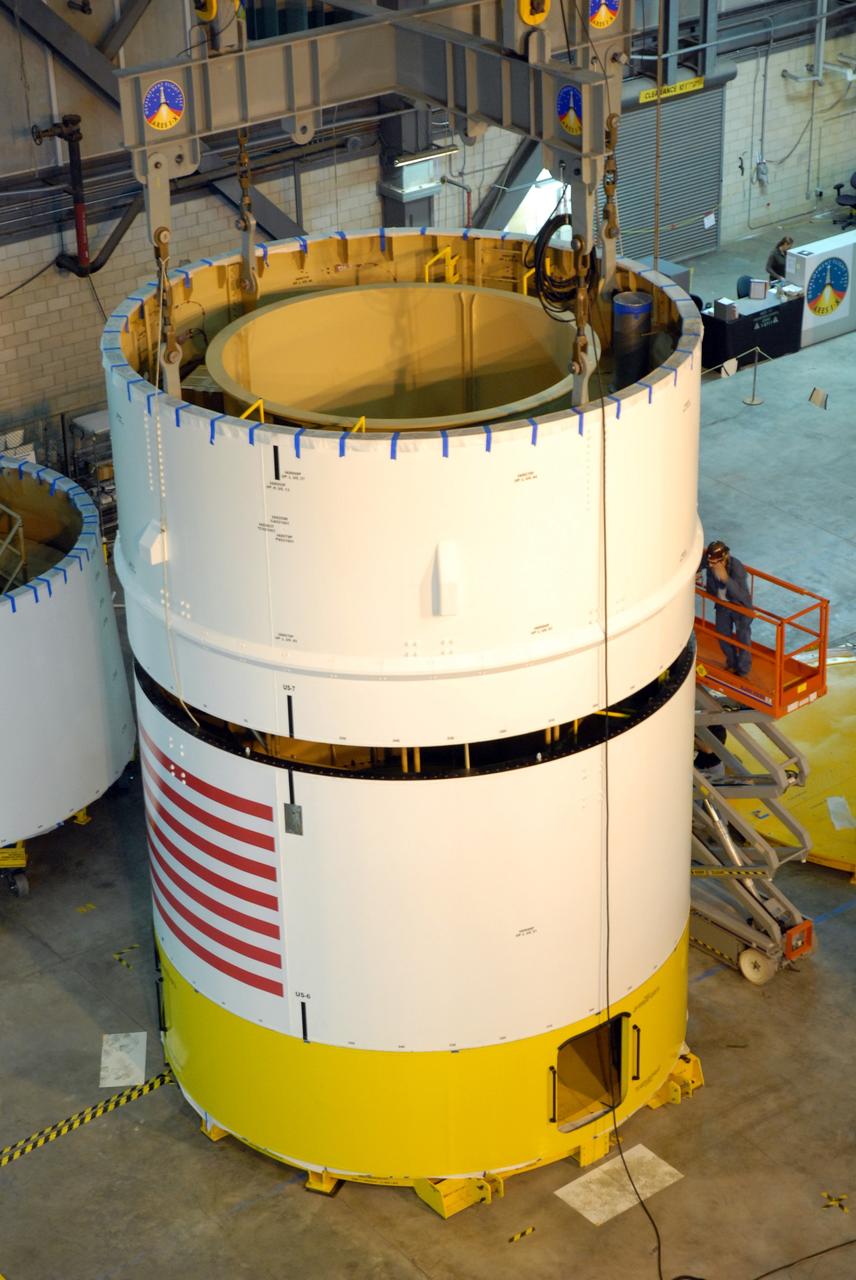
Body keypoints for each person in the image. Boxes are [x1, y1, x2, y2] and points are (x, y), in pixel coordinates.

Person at [703, 540, 752, 676]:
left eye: (714, 563)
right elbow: (699, 562)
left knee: (743, 638)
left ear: (723, 559)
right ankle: (732, 662)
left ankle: (743, 669)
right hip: (723, 606)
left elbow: (741, 594)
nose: (711, 566)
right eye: (710, 562)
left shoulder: (737, 568)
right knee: (722, 634)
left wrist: (726, 579)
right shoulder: (710, 564)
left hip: (740, 606)